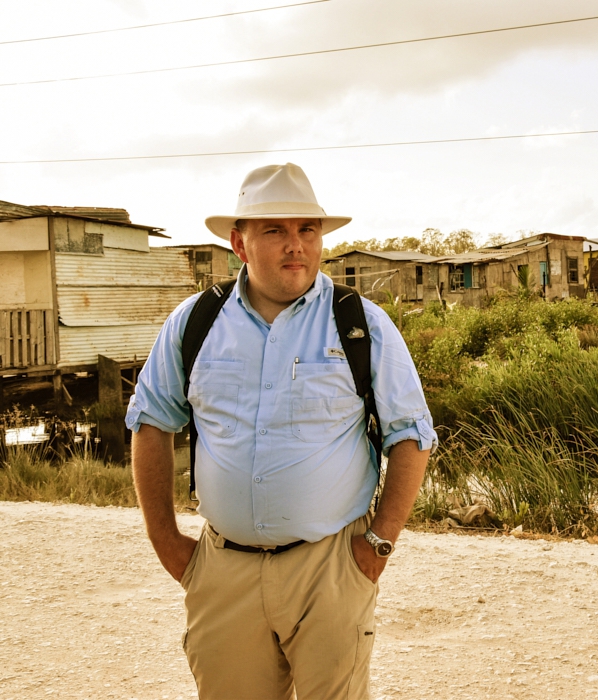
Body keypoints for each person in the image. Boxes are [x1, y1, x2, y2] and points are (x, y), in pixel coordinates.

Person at [126, 163, 437, 699]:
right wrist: (165, 541)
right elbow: (152, 423)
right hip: (223, 571)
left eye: (307, 230)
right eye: (274, 230)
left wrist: (376, 547)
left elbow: (411, 435)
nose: (296, 245)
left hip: (331, 569)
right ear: (239, 243)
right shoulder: (195, 322)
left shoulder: (360, 324)